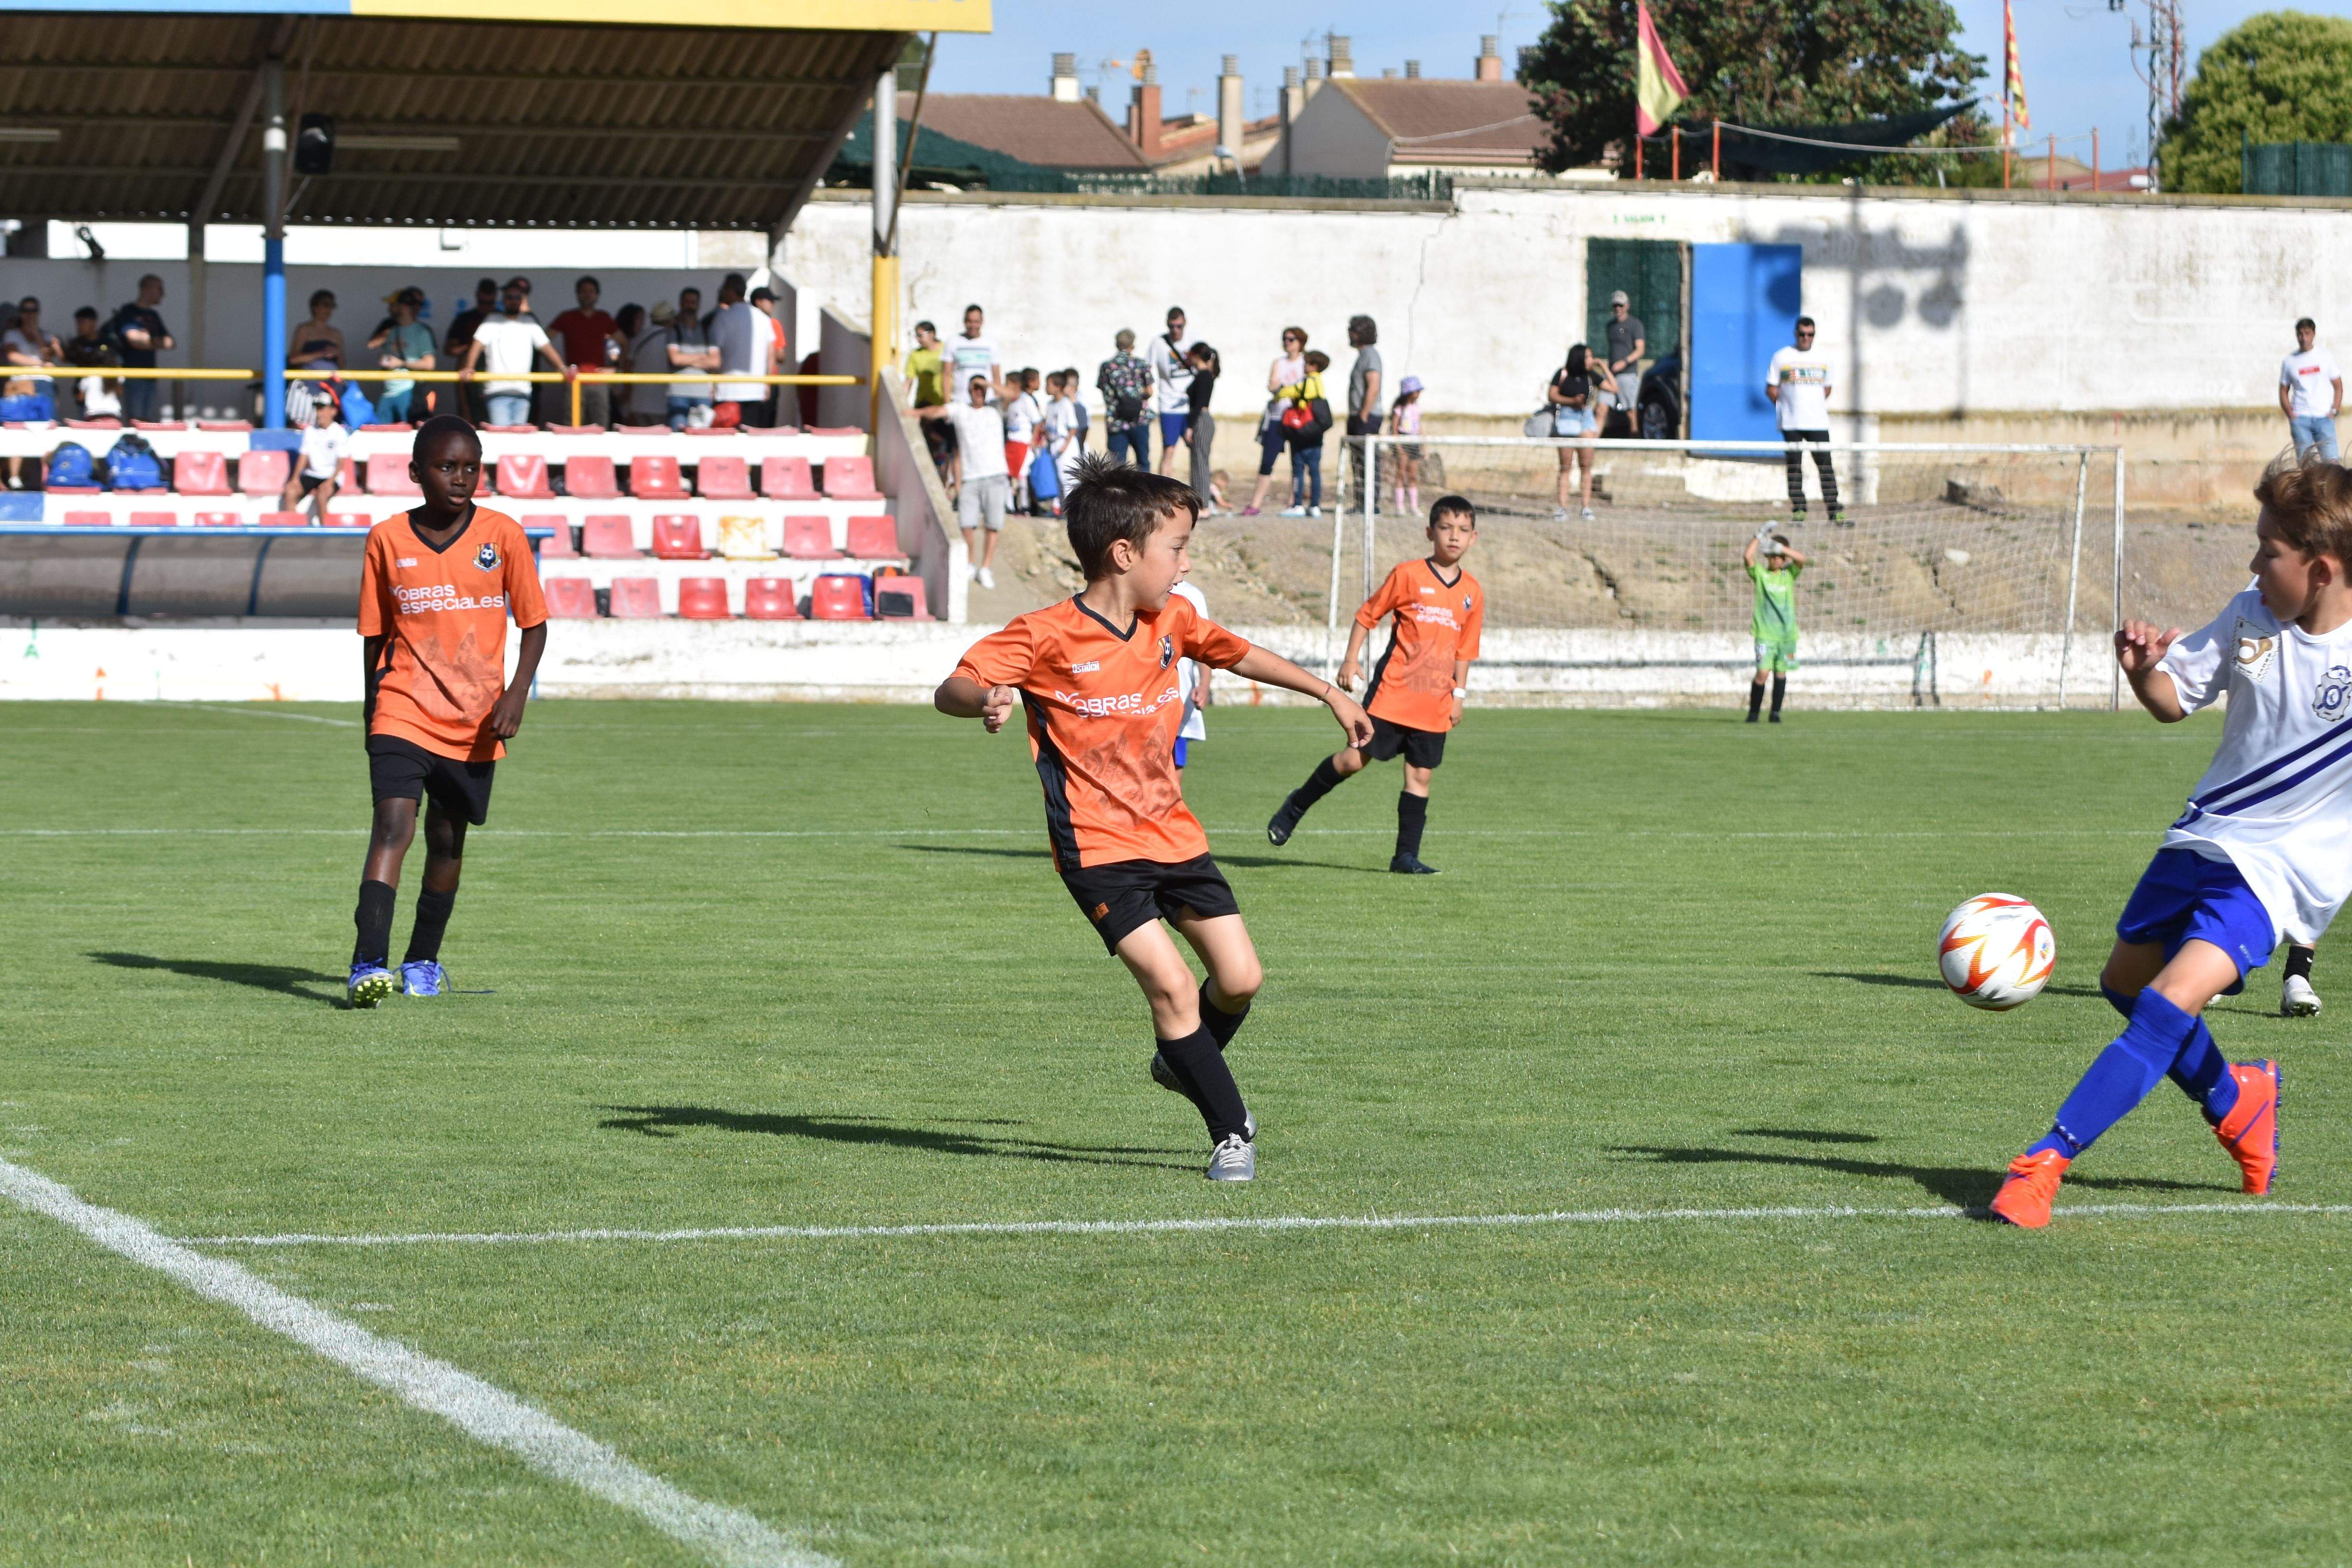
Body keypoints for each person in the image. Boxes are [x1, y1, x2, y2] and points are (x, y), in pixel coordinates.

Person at [934, 454, 1374, 1182]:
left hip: (1174, 834)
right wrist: (981, 697)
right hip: (1099, 850)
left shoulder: (1173, 617)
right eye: (1177, 548)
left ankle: (1183, 1061)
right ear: (1124, 553)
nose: (1186, 562)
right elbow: (954, 684)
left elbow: (1239, 654)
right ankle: (1231, 1130)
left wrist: (1329, 692)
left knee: (1241, 979)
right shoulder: (1043, 635)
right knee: (1171, 987)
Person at [1980, 459, 2352, 1228]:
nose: (2252, 563)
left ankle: (2045, 1161)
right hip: (2203, 839)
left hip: (2277, 875)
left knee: (2165, 1003)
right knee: (2124, 982)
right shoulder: (2252, 613)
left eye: (2268, 550)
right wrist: (2147, 671)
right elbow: (2175, 700)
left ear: (2321, 570)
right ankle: (2237, 1098)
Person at [348, 415, 549, 1007]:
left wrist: (516, 693)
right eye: (446, 466)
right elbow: (373, 635)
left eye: (470, 467)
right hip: (402, 705)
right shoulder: (386, 539)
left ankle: (422, 961)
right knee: (393, 826)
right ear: (416, 473)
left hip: (475, 717)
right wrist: (371, 712)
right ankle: (366, 965)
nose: (460, 478)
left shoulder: (503, 535)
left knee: (447, 839)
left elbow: (535, 625)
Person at [1266, 495, 1482, 874]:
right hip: (1393, 693)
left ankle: (1405, 857)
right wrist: (1351, 660)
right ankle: (1296, 805)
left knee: (1420, 776)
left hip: (1435, 701)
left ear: (1473, 538)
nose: (1454, 537)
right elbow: (1368, 616)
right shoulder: (1408, 574)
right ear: (1430, 532)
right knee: (1353, 760)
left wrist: (1459, 696)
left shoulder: (1473, 593)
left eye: (1463, 531)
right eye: (1446, 528)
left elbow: (1466, 648)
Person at [919, 373, 1009, 589]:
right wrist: (917, 412)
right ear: (968, 391)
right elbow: (938, 412)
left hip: (996, 475)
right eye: (974, 388)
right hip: (970, 477)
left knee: (992, 525)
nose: (978, 392)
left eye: (981, 389)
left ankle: (985, 567)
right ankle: (970, 562)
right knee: (966, 524)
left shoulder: (995, 409)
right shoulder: (961, 410)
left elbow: (1012, 395)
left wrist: (987, 383)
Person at [458, 278, 570, 428]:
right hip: (497, 391)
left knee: (519, 439)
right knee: (503, 436)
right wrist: (469, 367)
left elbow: (546, 348)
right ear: (503, 300)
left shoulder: (529, 322)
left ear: (522, 300)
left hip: (523, 391)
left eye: (517, 297)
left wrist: (562, 368)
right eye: (510, 297)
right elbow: (477, 346)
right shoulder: (492, 320)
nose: (513, 301)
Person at [1767, 316, 1841, 524]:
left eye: (1810, 335)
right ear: (1796, 334)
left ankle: (1834, 510)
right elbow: (1771, 389)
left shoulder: (1824, 358)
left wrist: (1811, 405)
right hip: (1791, 424)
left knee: (1826, 467)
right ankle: (1799, 510)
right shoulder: (1781, 357)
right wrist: (1787, 407)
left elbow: (1827, 389)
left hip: (1818, 423)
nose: (1806, 338)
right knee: (1794, 467)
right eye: (1802, 334)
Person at [1240, 327, 1308, 516]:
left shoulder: (1305, 362)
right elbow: (1272, 385)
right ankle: (1256, 503)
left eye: (1292, 339)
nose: (1287, 343)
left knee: (1298, 462)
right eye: (1285, 339)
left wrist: (1284, 387)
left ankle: (1294, 501)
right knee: (1267, 461)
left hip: (1297, 418)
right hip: (1278, 417)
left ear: (1300, 342)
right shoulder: (1279, 362)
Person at [1743, 531, 1806, 723]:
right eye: (1773, 556)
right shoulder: (1762, 575)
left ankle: (1775, 713)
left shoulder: (1789, 575)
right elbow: (1747, 557)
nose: (1776, 560)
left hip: (1787, 636)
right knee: (1762, 673)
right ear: (1768, 557)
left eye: (1780, 557)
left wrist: (1782, 548)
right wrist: (1758, 536)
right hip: (1765, 635)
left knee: (1781, 674)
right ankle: (1754, 713)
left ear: (1785, 559)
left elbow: (1802, 559)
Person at [548, 276, 625, 428]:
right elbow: (544, 342)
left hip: (599, 381)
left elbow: (624, 343)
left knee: (601, 426)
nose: (587, 295)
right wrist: (561, 367)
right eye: (583, 292)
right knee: (572, 426)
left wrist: (615, 368)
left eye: (591, 292)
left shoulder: (604, 318)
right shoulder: (567, 317)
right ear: (577, 294)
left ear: (597, 295)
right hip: (574, 379)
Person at [2, 298, 59, 489]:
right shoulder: (12, 334)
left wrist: (36, 334)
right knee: (17, 430)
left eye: (33, 310)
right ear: (20, 313)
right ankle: (14, 477)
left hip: (44, 386)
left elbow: (49, 355)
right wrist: (40, 364)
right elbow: (12, 356)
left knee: (47, 430)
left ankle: (47, 477)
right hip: (21, 385)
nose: (29, 314)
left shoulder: (45, 335)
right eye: (26, 310)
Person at [106, 274, 173, 424]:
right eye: (159, 289)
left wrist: (148, 340)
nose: (162, 294)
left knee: (147, 422)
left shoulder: (154, 315)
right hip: (132, 375)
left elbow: (170, 343)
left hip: (150, 376)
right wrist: (155, 341)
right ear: (148, 289)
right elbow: (133, 339)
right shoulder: (129, 312)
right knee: (135, 422)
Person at [368, 288, 437, 424]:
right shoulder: (390, 330)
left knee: (409, 433)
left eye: (393, 305)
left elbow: (430, 364)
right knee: (381, 435)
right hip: (387, 392)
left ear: (404, 307)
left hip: (409, 392)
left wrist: (401, 363)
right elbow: (371, 345)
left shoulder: (422, 332)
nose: (390, 309)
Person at [1548, 344, 1601, 521]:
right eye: (1588, 357)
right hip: (1567, 418)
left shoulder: (1591, 376)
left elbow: (1613, 388)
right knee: (1565, 467)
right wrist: (1572, 401)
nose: (1591, 360)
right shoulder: (1562, 374)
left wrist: (1604, 367)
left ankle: (1586, 507)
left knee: (1586, 467)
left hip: (1586, 419)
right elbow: (1552, 395)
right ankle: (1562, 508)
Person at [2280, 318, 2342, 463]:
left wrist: (2334, 411)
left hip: (2324, 418)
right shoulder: (2290, 361)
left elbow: (2338, 386)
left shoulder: (2325, 357)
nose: (2304, 338)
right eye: (2300, 334)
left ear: (2314, 334)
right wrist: (2291, 414)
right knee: (2306, 465)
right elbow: (2283, 390)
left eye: (2307, 333)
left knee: (2333, 464)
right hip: (2301, 419)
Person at [281, 395, 350, 523]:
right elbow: (303, 456)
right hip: (312, 474)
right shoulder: (310, 431)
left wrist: (330, 482)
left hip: (331, 475)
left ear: (333, 411)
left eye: (323, 409)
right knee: (290, 491)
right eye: (318, 409)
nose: (319, 413)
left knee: (322, 495)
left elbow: (341, 462)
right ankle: (292, 530)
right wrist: (295, 478)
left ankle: (326, 532)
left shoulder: (339, 433)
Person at [1279, 350, 1329, 517]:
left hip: (1303, 436)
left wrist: (1280, 393)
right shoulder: (1320, 384)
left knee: (1299, 471)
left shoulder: (1310, 382)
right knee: (1314, 472)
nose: (1304, 366)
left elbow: (1299, 392)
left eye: (1306, 363)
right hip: (1315, 438)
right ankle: (1314, 505)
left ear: (1313, 366)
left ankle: (1299, 504)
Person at [442, 278, 499, 425]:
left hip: (497, 375)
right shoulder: (465, 319)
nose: (486, 306)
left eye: (490, 303)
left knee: (495, 421)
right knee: (468, 419)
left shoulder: (500, 319)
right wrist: (473, 347)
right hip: (469, 375)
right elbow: (449, 350)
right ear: (477, 296)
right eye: (483, 302)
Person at [1148, 306, 1197, 477]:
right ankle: (1166, 495)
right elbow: (1147, 369)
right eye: (1172, 327)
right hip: (1169, 404)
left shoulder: (1194, 341)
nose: (1175, 330)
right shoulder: (1158, 343)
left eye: (1179, 326)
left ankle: (1200, 492)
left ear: (1185, 324)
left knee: (1197, 449)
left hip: (1191, 405)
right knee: (1169, 449)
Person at [1171, 575, 1212, 766]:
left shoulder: (1191, 595)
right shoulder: (1135, 588)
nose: (1187, 565)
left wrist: (1204, 685)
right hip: (1138, 703)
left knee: (1173, 776)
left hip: (1179, 698)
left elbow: (1204, 646)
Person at [906, 319, 955, 478]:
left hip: (944, 404)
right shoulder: (915, 356)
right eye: (917, 336)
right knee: (930, 441)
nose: (919, 339)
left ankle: (946, 479)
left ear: (932, 334)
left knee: (949, 446)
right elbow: (909, 381)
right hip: (924, 405)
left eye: (921, 335)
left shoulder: (946, 351)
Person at [1097, 329, 1153, 467]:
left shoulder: (1107, 366)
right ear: (1132, 345)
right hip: (1139, 419)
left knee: (1117, 467)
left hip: (1116, 421)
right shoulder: (1142, 364)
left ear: (1116, 344)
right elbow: (1150, 391)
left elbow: (1103, 390)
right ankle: (1143, 490)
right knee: (1143, 463)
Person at [665, 286, 717, 429]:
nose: (690, 305)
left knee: (701, 438)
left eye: (693, 302)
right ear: (681, 303)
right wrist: (702, 357)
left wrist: (686, 358)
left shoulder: (707, 331)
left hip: (703, 394)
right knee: (678, 435)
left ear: (699, 304)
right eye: (687, 302)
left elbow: (716, 362)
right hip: (678, 394)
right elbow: (675, 359)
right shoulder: (674, 330)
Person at [1344, 314, 1382, 504]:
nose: (1349, 334)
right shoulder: (1363, 356)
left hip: (1366, 417)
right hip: (1358, 416)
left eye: (1352, 330)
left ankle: (1370, 505)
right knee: (1357, 462)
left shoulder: (1371, 355)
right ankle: (1361, 503)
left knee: (1368, 461)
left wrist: (1364, 414)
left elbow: (1373, 386)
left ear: (1360, 333)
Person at [61, 306, 121, 424]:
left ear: (94, 322)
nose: (80, 327)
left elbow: (120, 388)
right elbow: (69, 359)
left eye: (83, 322)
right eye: (78, 323)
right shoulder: (77, 343)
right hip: (85, 397)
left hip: (108, 397)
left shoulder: (107, 343)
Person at [1183, 341, 1219, 514]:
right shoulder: (1202, 375)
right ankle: (1199, 502)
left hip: (1201, 420)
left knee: (1201, 462)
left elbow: (1198, 405)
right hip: (1199, 419)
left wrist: (1190, 426)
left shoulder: (1205, 376)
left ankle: (1204, 504)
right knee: (1198, 461)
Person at [1603, 290, 1644, 430]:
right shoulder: (1610, 326)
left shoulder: (1635, 325)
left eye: (1621, 306)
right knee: (1602, 407)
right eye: (1615, 306)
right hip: (1611, 374)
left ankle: (1635, 437)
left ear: (1627, 306)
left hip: (1628, 373)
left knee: (1631, 410)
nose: (1618, 309)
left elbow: (1640, 350)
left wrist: (1625, 362)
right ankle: (1594, 441)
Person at [1003, 367, 1042, 512]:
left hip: (1023, 443)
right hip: (1011, 442)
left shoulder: (1026, 400)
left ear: (1015, 385)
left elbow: (1037, 421)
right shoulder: (1008, 402)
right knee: (1007, 474)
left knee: (1022, 476)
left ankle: (1024, 506)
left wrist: (1033, 440)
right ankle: (1009, 506)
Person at [749, 286, 788, 427]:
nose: (773, 304)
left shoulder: (748, 322)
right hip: (764, 381)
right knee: (765, 425)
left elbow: (781, 356)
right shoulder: (772, 324)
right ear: (758, 302)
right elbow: (781, 355)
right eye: (770, 301)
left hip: (752, 379)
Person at [1389, 375, 1424, 517]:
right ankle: (1399, 506)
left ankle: (1414, 506)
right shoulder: (1400, 409)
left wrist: (1424, 445)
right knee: (1401, 474)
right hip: (1403, 441)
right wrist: (1398, 446)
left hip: (1415, 442)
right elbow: (1395, 428)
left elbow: (1419, 427)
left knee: (1413, 475)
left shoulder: (1417, 408)